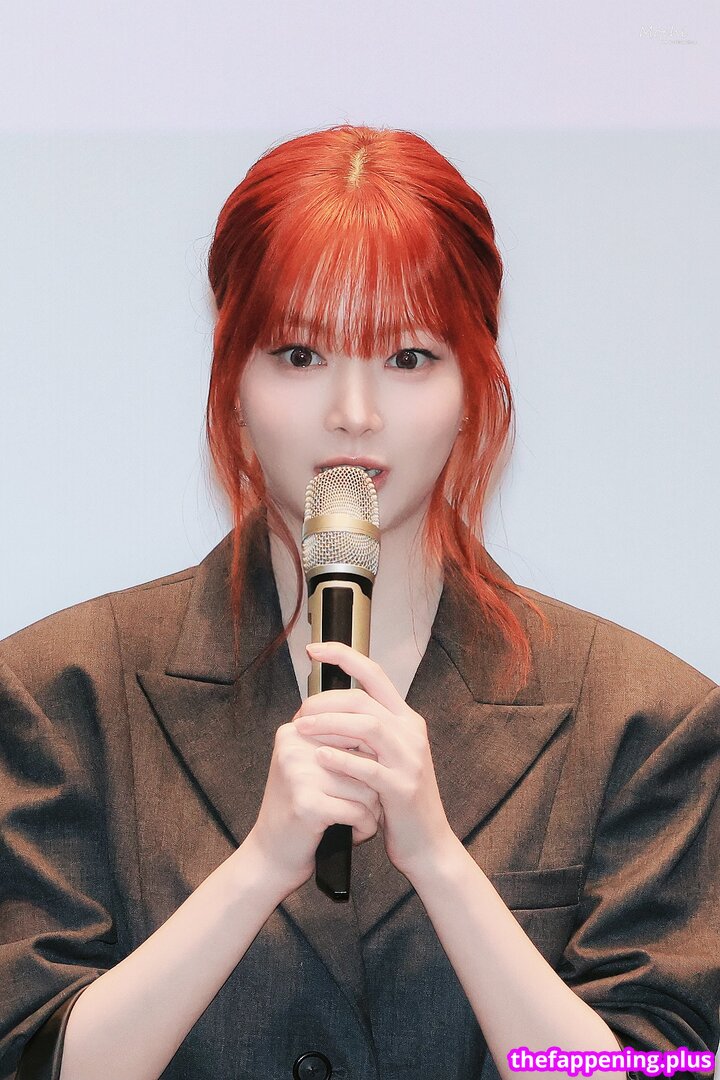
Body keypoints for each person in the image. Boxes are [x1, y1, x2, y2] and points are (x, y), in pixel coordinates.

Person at [1, 124, 718, 1080]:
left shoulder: (645, 719)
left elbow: (659, 1070)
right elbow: (34, 1058)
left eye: (408, 358)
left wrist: (441, 862)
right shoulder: (61, 693)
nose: (353, 412)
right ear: (233, 379)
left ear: (475, 382)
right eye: (299, 354)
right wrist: (260, 865)